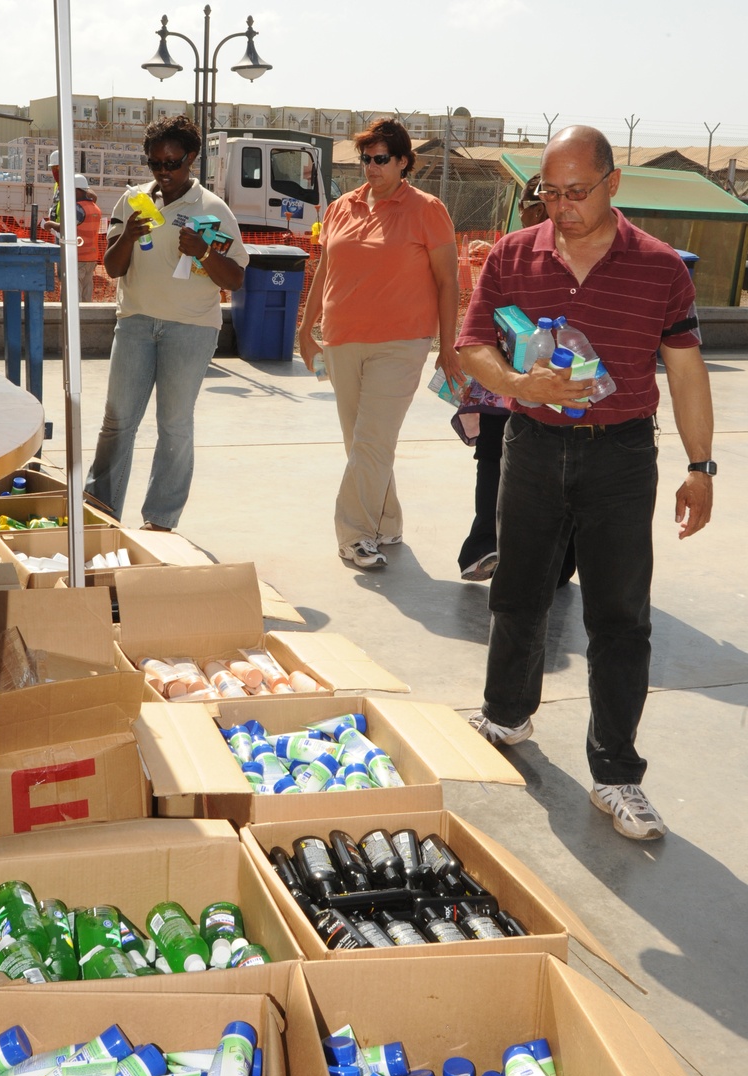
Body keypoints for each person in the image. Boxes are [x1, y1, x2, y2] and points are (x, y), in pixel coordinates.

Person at [456, 125, 714, 841]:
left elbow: (686, 370)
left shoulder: (662, 268)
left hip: (622, 456)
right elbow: (470, 342)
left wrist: (701, 465)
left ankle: (617, 774)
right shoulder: (514, 253)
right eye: (550, 192)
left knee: (619, 618)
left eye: (576, 192)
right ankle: (507, 714)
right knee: (517, 593)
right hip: (534, 445)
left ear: (612, 184)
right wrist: (516, 382)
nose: (561, 207)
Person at [299, 117, 462, 570]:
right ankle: (386, 522)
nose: (370, 167)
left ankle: (353, 535)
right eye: (365, 159)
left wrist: (448, 347)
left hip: (402, 343)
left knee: (372, 440)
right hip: (341, 339)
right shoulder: (340, 208)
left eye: (381, 159)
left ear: (404, 162)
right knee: (362, 443)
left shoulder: (427, 209)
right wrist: (306, 329)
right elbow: (325, 272)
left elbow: (449, 281)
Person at [85, 114, 247, 531]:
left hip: (191, 329)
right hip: (136, 323)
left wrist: (204, 252)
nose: (163, 172)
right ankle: (100, 511)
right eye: (155, 163)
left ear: (191, 158)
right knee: (117, 421)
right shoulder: (133, 202)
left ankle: (160, 520)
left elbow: (236, 278)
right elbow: (112, 267)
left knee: (174, 425)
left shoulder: (212, 209)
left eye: (172, 162)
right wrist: (128, 235)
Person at [457, 180, 575, 587]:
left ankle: (490, 544)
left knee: (499, 463)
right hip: (509, 384)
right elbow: (475, 329)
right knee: (518, 466)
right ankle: (504, 550)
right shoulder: (509, 252)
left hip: (526, 388)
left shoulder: (517, 251)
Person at [47, 149, 102, 302]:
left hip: (71, 239)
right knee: (67, 276)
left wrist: (77, 214)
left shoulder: (74, 182)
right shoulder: (58, 185)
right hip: (63, 235)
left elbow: (91, 197)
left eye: (58, 168)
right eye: (54, 168)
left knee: (73, 283)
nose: (56, 172)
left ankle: (73, 311)